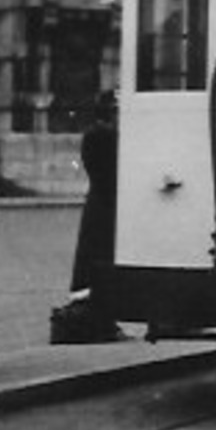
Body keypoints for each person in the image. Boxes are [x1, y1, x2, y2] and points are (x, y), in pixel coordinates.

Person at [51, 91, 126, 344]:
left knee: (96, 262)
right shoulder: (105, 136)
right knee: (101, 261)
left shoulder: (97, 134)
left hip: (100, 203)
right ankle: (100, 320)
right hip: (105, 205)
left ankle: (102, 319)